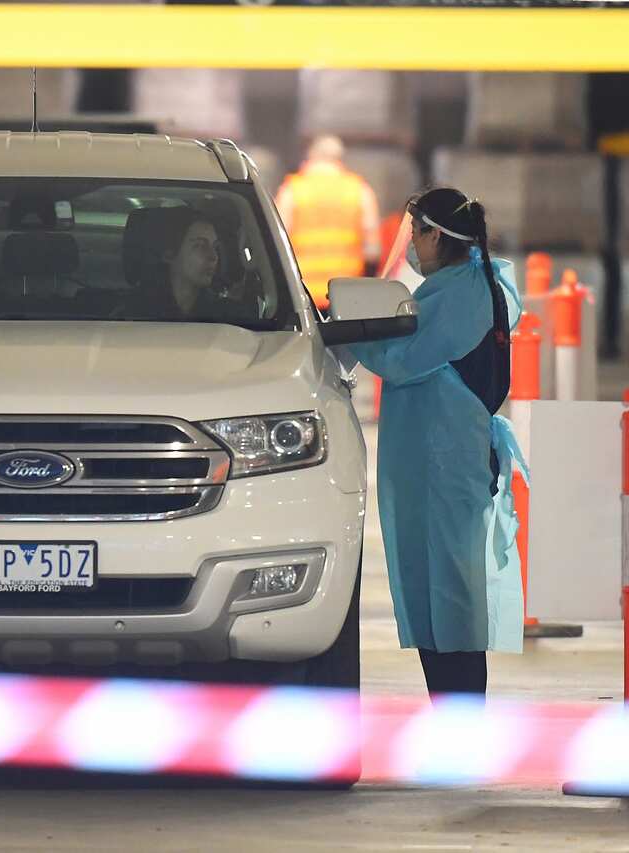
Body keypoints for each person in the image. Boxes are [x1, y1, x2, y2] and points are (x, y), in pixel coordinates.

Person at [349, 187, 526, 698]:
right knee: (436, 589)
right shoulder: (458, 285)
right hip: (436, 466)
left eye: (415, 232)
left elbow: (403, 357)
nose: (410, 244)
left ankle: (461, 716)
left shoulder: (460, 292)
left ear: (436, 235)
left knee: (451, 593)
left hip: (445, 466)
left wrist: (349, 332)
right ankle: (451, 712)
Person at [275, 135, 382, 311]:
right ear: (339, 158)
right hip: (346, 295)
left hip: (302, 293)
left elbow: (278, 240)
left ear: (311, 156)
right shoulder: (359, 190)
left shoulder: (292, 190)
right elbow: (372, 251)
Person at [123, 207, 259, 321]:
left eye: (215, 247)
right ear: (169, 254)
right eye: (200, 246)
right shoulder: (128, 317)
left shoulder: (228, 317)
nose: (213, 256)